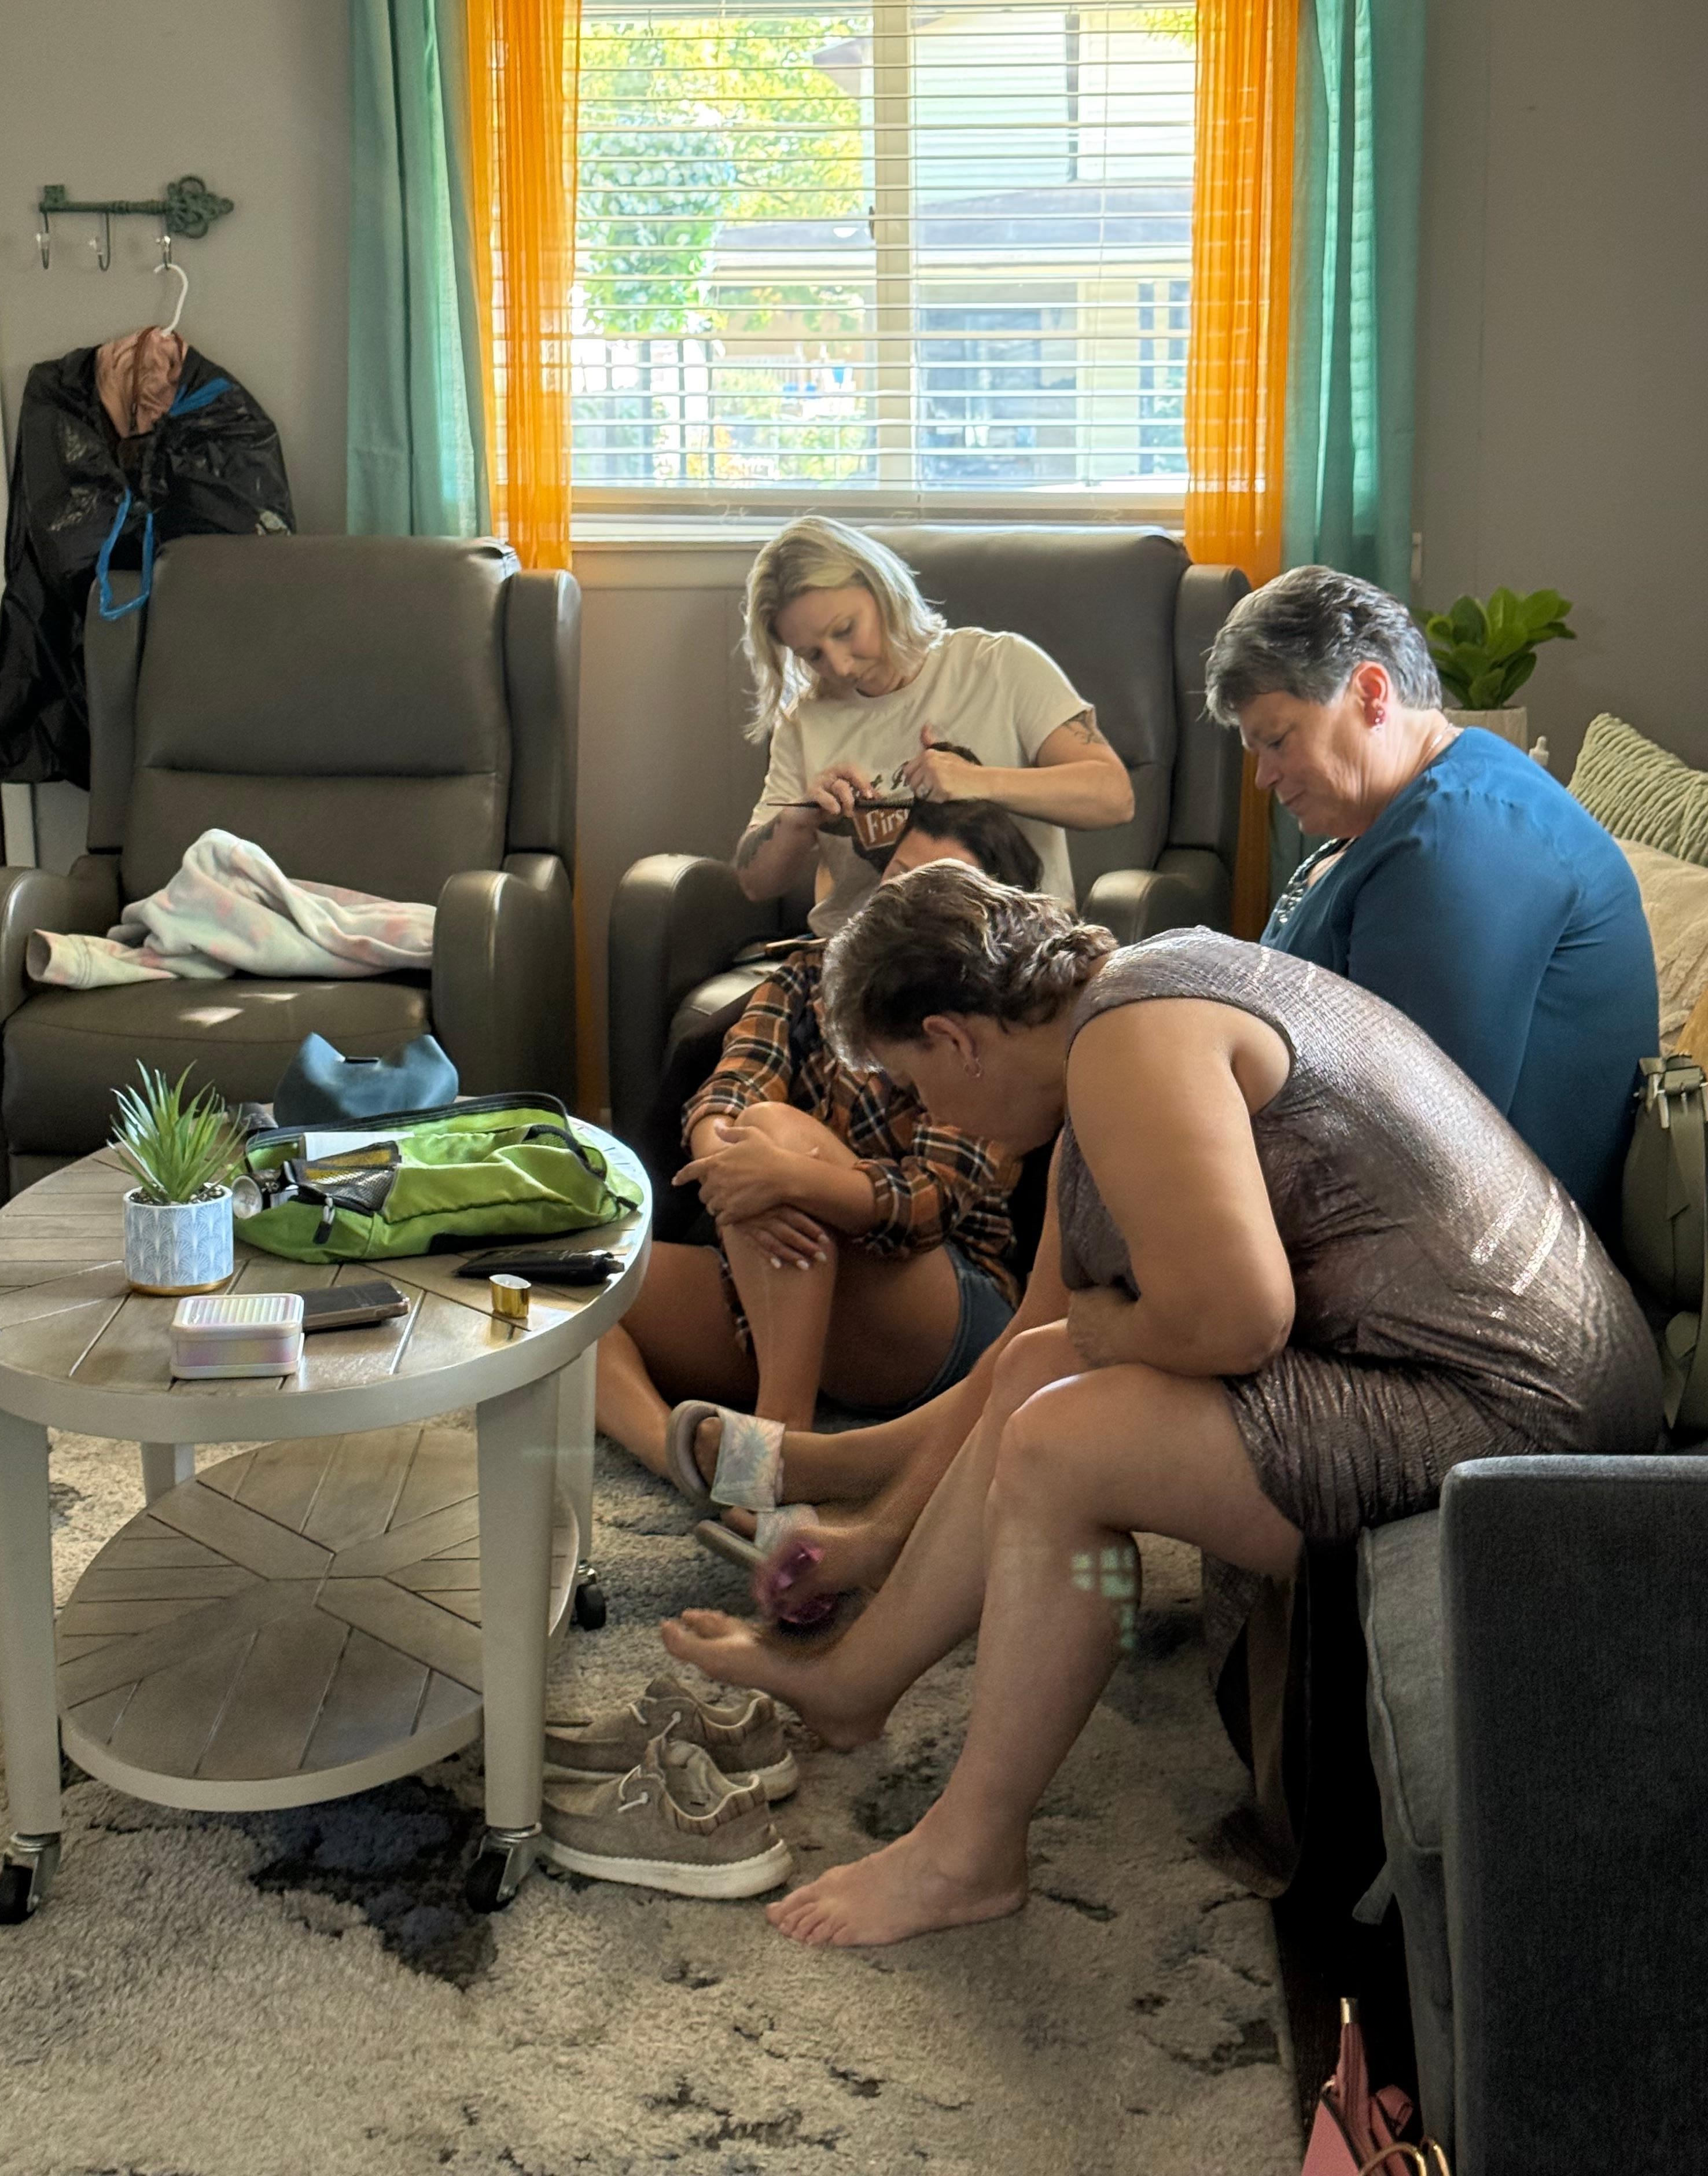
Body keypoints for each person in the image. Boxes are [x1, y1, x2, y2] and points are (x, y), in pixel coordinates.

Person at [661, 865, 1663, 1948]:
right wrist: (873, 1542)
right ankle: (855, 1686)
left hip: (1521, 1429)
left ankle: (969, 1853)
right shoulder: (1124, 1002)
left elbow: (1236, 1321)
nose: (924, 1113)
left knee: (1065, 1447)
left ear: (954, 1038)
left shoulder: (1129, 1046)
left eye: (912, 1084)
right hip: (1498, 1378)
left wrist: (1105, 1340)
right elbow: (1024, 1353)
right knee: (1042, 1382)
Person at [594, 801, 1044, 1487]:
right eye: (895, 877)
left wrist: (787, 1177)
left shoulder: (986, 1019)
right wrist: (739, 1162)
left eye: (931, 889)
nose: (899, 903)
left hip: (936, 1303)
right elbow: (726, 1092)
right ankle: (680, 1460)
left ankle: (775, 1445)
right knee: (575, 1299)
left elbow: (933, 1201)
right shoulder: (813, 973)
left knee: (777, 1134)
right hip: (789, 1284)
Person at [1203, 565, 1657, 1238]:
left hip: (1478, 1285)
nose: (1265, 775)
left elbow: (1408, 1144)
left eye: (1276, 739)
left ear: (1371, 693)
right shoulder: (1404, 819)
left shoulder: (1459, 836)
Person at [730, 516, 1134, 936]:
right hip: (861, 961)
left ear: (882, 590)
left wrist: (976, 781)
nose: (840, 665)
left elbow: (1114, 796)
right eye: (813, 655)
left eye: (846, 631)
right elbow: (755, 884)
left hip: (1011, 948)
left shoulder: (1002, 666)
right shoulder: (804, 721)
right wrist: (801, 818)